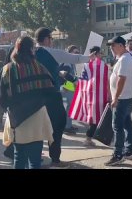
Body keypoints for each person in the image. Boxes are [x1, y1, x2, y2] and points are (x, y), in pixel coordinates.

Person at [34, 27, 95, 168]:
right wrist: (90, 57)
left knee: (36, 127)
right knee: (58, 125)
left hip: (34, 96)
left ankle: (36, 157)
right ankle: (55, 159)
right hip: (51, 95)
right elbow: (75, 58)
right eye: (51, 38)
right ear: (46, 39)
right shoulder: (51, 52)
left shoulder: (31, 52)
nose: (52, 41)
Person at [0, 36, 54, 169]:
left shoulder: (8, 69)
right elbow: (50, 89)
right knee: (35, 161)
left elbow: (2, 95)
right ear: (31, 49)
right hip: (37, 117)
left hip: (17, 118)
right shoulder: (39, 67)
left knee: (19, 158)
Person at [105, 36, 132, 166]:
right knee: (127, 125)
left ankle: (118, 154)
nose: (111, 48)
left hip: (122, 99)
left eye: (114, 45)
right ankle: (129, 151)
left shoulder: (124, 59)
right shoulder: (125, 58)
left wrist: (115, 98)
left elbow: (121, 79)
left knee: (117, 127)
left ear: (122, 46)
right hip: (126, 97)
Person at [59, 45, 80, 134]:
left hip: (68, 86)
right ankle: (67, 126)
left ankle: (68, 125)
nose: (76, 55)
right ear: (70, 53)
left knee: (69, 106)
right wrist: (66, 85)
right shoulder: (67, 62)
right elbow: (64, 74)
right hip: (67, 87)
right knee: (70, 106)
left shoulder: (70, 62)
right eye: (75, 53)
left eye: (78, 53)